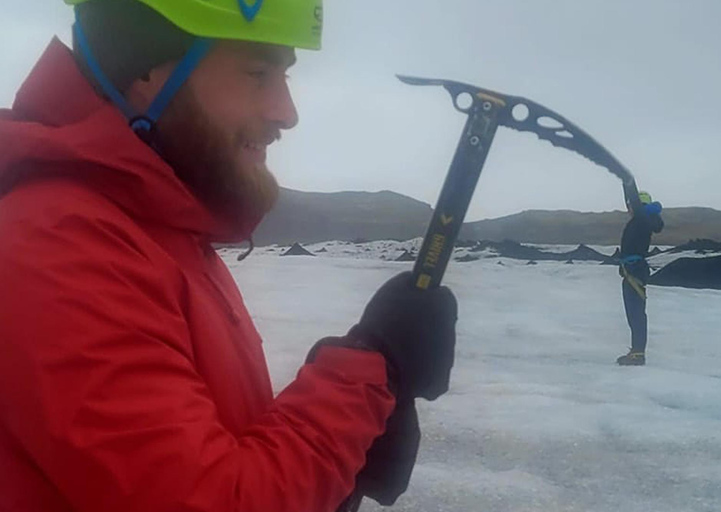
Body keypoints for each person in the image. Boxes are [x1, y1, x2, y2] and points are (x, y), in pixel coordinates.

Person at [0, 1, 458, 511]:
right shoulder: (62, 243)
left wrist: (342, 454)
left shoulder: (157, 231)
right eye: (258, 73)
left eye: (283, 75)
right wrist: (366, 375)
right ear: (147, 70)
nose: (287, 112)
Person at [617, 189, 664, 366]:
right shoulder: (641, 221)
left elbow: (635, 203)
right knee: (633, 312)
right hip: (633, 270)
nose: (628, 208)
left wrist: (628, 181)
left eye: (630, 205)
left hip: (635, 271)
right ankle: (636, 351)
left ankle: (638, 353)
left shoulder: (641, 220)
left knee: (635, 312)